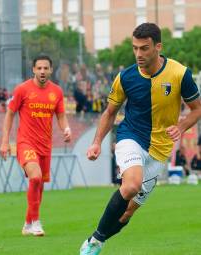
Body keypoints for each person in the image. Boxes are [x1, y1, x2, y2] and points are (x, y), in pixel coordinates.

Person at [79, 23, 201, 255]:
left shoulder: (179, 73)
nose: (138, 54)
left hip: (160, 150)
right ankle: (94, 241)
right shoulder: (125, 76)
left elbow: (196, 109)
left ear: (158, 47)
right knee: (131, 186)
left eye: (144, 48)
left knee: (127, 212)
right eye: (135, 48)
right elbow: (110, 113)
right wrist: (96, 142)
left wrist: (182, 126)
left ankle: (99, 239)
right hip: (131, 136)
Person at [0, 55, 72, 236]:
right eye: (38, 68)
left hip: (45, 146)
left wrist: (66, 128)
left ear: (50, 70)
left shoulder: (57, 91)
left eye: (45, 68)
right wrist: (4, 142)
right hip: (26, 143)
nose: (42, 71)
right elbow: (9, 114)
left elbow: (61, 115)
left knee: (39, 186)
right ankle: (36, 223)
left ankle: (27, 223)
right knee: (35, 177)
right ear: (33, 69)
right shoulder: (22, 89)